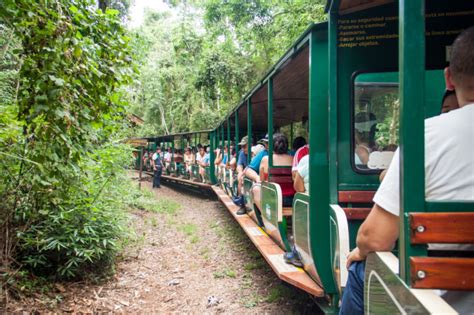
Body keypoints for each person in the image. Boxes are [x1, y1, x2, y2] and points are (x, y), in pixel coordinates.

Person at [340, 27, 474, 315]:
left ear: (448, 78)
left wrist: (360, 250)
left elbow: (374, 238)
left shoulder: (425, 139)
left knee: (360, 269)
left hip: (440, 303)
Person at [252, 133, 293, 211]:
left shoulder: (266, 159)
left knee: (255, 189)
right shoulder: (292, 159)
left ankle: (265, 215)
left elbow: (262, 181)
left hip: (272, 198)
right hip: (291, 199)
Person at [234, 136, 249, 214]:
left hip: (253, 174)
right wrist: (240, 172)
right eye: (242, 146)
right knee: (240, 179)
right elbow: (239, 165)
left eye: (244, 146)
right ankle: (242, 204)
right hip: (245, 174)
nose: (243, 148)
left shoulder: (256, 153)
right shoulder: (241, 153)